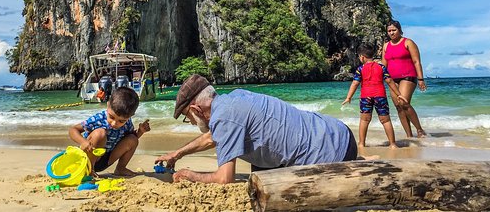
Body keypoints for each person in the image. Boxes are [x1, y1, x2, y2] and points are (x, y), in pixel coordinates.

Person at [155, 74, 358, 184]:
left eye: (187, 117)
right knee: (259, 167)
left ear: (196, 109)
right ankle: (361, 160)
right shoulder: (235, 97)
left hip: (332, 155)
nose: (190, 122)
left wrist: (191, 175)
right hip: (337, 132)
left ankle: (358, 164)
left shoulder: (224, 119)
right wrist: (178, 153)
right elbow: (213, 138)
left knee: (261, 177)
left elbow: (224, 179)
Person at [68, 86, 150, 176]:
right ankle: (89, 169)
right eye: (111, 117)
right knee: (100, 133)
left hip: (106, 160)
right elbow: (73, 130)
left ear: (130, 116)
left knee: (133, 139)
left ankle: (120, 168)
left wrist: (140, 131)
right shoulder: (99, 119)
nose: (114, 123)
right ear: (107, 105)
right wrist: (83, 142)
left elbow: (129, 141)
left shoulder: (127, 123)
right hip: (88, 157)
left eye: (121, 121)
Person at [342, 43, 408, 148]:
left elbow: (355, 83)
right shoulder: (381, 67)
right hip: (380, 96)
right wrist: (399, 94)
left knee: (364, 120)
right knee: (385, 120)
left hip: (365, 97)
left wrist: (348, 97)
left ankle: (361, 143)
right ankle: (392, 144)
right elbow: (390, 81)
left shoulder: (360, 69)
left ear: (362, 57)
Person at [381, 20, 427, 138]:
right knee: (398, 107)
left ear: (399, 30)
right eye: (389, 31)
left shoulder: (408, 42)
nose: (391, 33)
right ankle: (409, 136)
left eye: (394, 30)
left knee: (403, 103)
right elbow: (384, 65)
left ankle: (420, 130)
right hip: (391, 79)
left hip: (408, 76)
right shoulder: (386, 46)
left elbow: (416, 61)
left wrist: (421, 79)